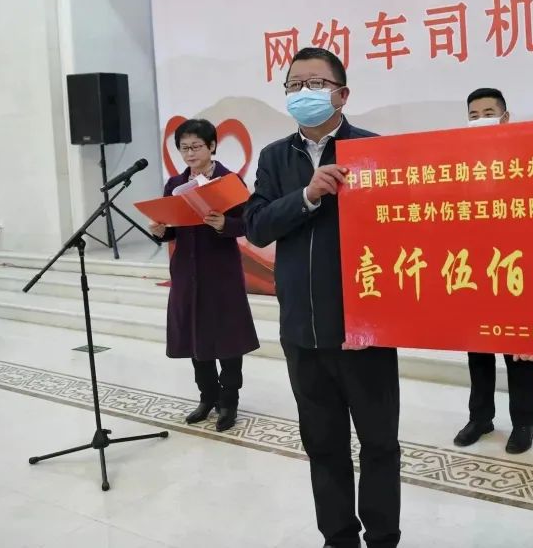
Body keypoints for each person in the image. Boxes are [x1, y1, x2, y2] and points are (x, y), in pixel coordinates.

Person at [245, 47, 401, 548]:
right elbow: (257, 226)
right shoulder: (274, 158)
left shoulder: (372, 150)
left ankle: (383, 537)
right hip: (302, 331)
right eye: (294, 85)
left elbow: (400, 233)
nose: (302, 93)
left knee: (379, 443)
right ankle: (338, 538)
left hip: (364, 331)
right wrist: (307, 196)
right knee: (323, 445)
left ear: (342, 94)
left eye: (315, 84)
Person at [148, 118, 259, 432]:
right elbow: (172, 229)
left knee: (228, 340)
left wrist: (225, 224)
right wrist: (160, 230)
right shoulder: (175, 184)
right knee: (195, 336)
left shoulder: (230, 181)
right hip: (187, 272)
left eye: (196, 146)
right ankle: (207, 397)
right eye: (184, 148)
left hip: (221, 273)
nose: (190, 153)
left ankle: (229, 400)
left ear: (212, 146)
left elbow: (249, 224)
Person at [453, 87, 533, 455]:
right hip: (474, 270)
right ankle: (480, 417)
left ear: (505, 118)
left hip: (514, 268)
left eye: (488, 113)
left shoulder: (525, 161)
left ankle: (523, 423)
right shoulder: (458, 165)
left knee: (518, 351)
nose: (480, 120)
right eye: (473, 116)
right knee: (478, 349)